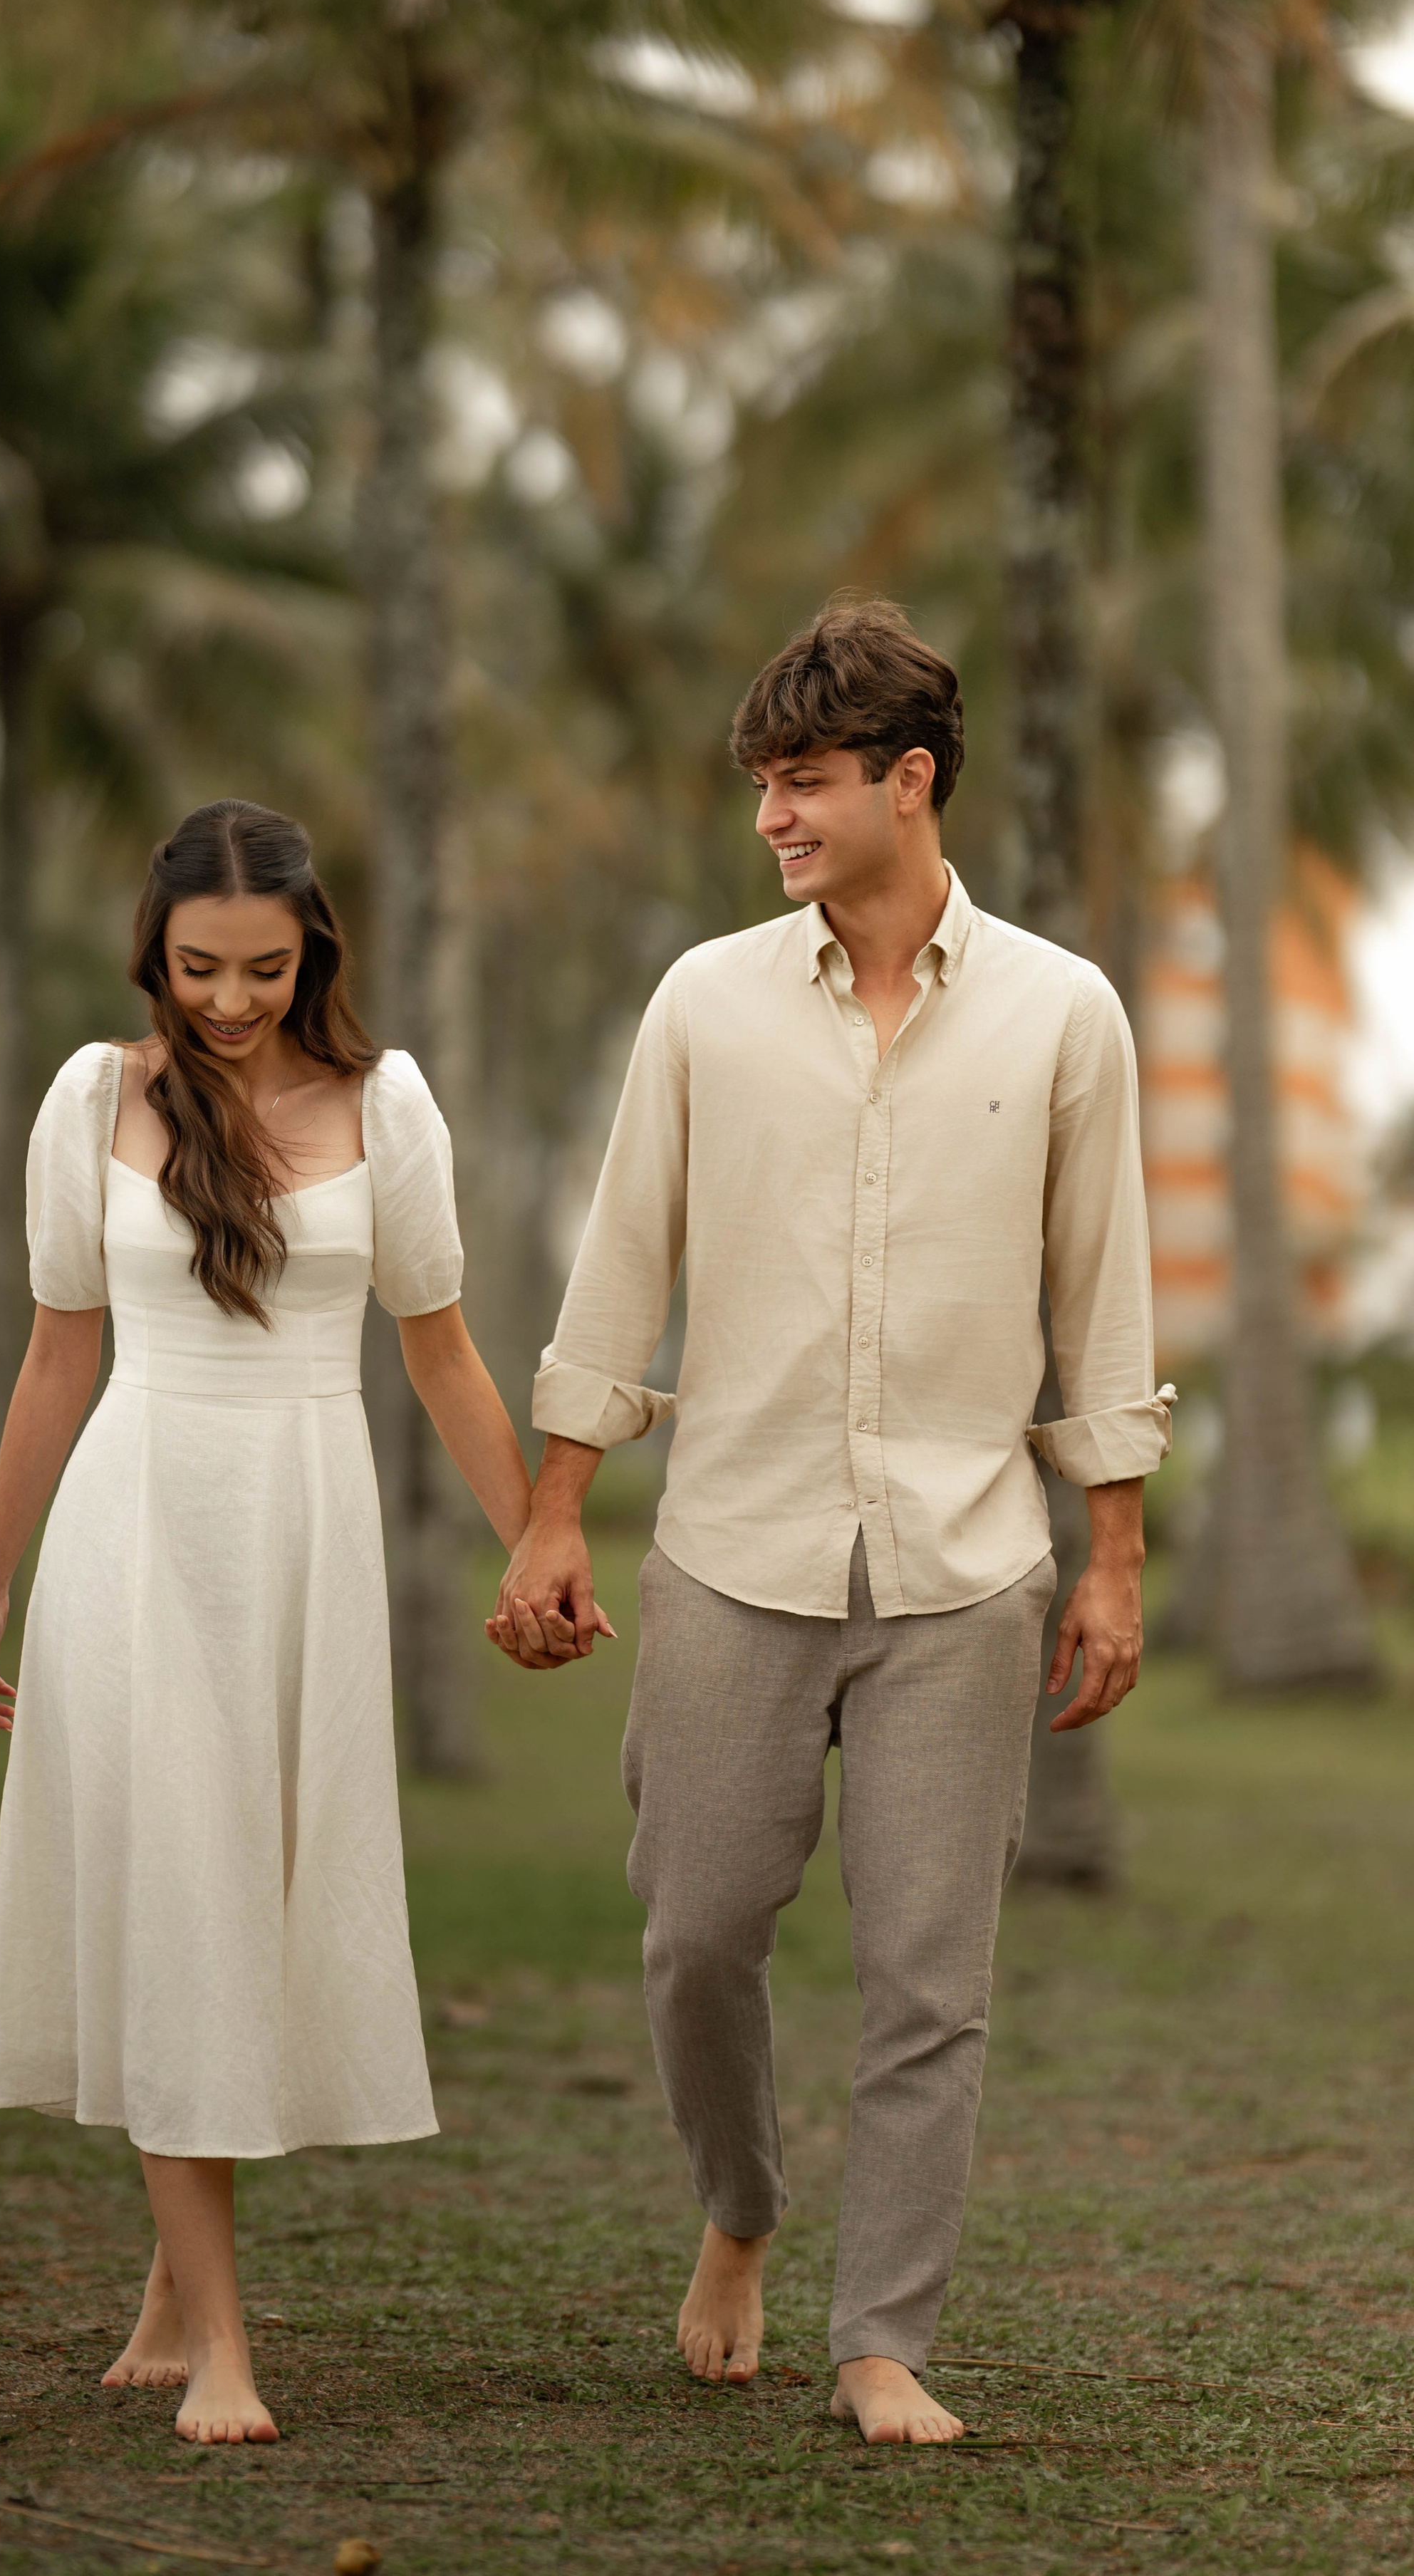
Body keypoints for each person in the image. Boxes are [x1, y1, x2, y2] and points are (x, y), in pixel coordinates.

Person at [488, 598, 1172, 2446]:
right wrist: (555, 1513)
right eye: (763, 787)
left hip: (966, 1564)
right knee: (697, 1932)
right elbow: (620, 1267)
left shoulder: (1062, 1012)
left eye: (802, 783)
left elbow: (1103, 1301)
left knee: (930, 1982)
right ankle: (740, 2207)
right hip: (734, 1547)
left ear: (908, 780)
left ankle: (882, 2339)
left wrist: (1112, 1559)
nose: (772, 819)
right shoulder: (703, 1003)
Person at [0, 799, 530, 2447]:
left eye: (261, 969)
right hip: (135, 1530)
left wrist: (535, 1545)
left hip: (303, 1533)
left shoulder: (384, 1104)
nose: (226, 999)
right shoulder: (92, 1099)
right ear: (154, 951)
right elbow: (57, 1356)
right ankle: (220, 2346)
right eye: (197, 967)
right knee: (178, 1890)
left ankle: (168, 2283)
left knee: (245, 1899)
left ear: (310, 952)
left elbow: (439, 1352)